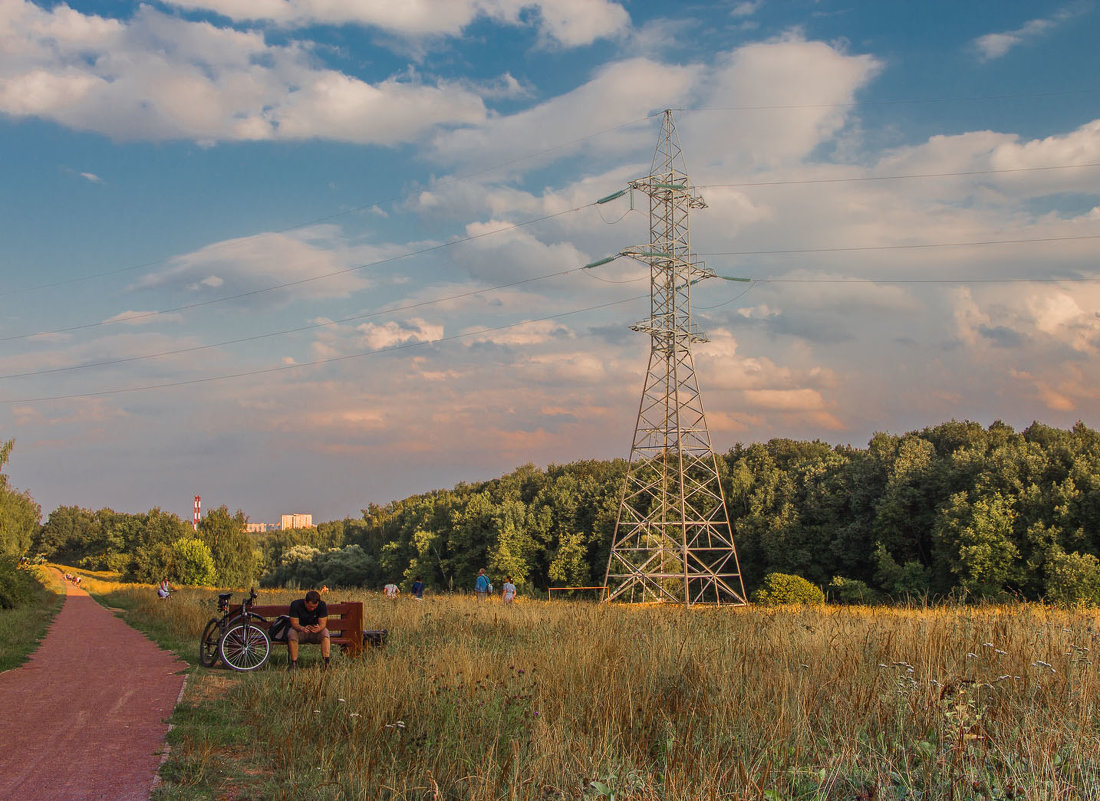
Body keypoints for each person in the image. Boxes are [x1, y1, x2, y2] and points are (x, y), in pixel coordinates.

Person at [287, 589, 330, 670]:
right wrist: (301, 628)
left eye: (315, 607)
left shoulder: (322, 605)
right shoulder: (295, 605)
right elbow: (294, 623)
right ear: (305, 602)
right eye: (310, 607)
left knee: (325, 633)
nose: (312, 609)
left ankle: (326, 663)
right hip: (300, 631)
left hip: (315, 631)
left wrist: (319, 628)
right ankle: (294, 663)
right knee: (292, 633)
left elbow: (323, 624)